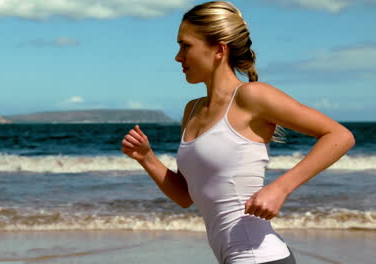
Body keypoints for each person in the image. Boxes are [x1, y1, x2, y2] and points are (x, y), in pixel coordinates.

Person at [121, 1, 355, 263]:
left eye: (185, 46)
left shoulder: (251, 97)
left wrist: (279, 189)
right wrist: (146, 157)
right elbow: (187, 196)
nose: (178, 56)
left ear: (219, 49)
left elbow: (339, 135)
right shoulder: (192, 110)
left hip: (260, 258)